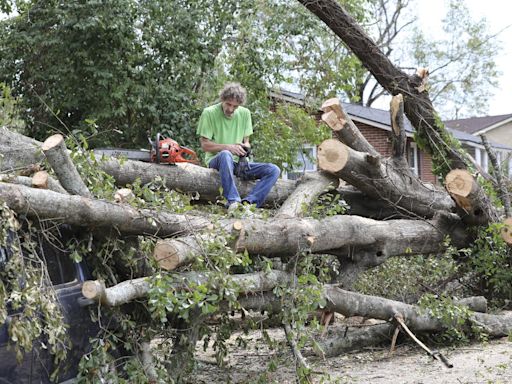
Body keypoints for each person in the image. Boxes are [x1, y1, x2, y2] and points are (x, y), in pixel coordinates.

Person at [196, 82, 280, 211]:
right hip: (217, 161)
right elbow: (205, 146)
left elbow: (247, 142)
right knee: (225, 154)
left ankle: (249, 204)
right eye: (228, 104)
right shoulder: (209, 113)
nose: (231, 109)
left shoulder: (245, 113)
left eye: (235, 106)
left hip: (239, 164)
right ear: (222, 99)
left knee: (273, 170)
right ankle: (233, 201)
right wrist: (228, 147)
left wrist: (245, 147)